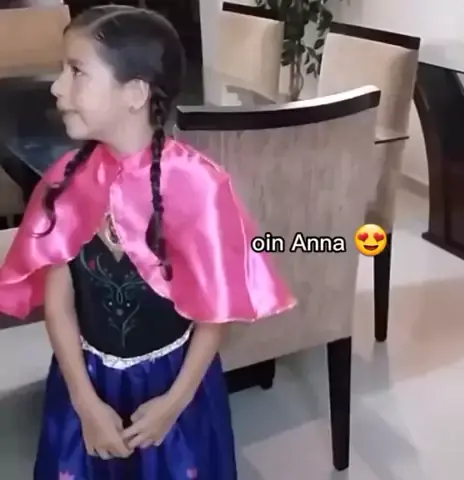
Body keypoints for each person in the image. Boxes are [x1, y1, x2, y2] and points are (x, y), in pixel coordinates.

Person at [0, 6, 295, 479]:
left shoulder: (198, 187)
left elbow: (215, 312)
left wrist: (173, 404)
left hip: (175, 389)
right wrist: (84, 402)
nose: (57, 87)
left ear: (135, 93)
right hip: (84, 382)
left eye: (76, 71)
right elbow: (59, 305)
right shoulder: (65, 182)